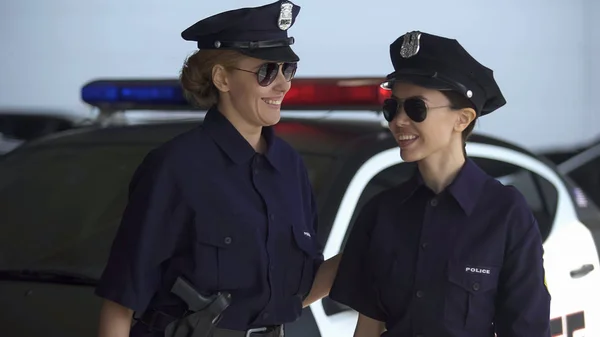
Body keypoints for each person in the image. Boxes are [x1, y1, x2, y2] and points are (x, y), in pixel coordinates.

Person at [94, 1, 325, 337]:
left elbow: (299, 289)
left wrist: (369, 246)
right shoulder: (176, 167)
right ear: (222, 78)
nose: (282, 85)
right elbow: (120, 303)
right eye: (266, 72)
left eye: (287, 69)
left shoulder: (290, 166)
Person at [328, 31, 552, 337]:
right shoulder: (382, 212)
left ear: (462, 119)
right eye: (393, 108)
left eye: (416, 108)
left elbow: (526, 330)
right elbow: (367, 325)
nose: (398, 121)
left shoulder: (505, 213)